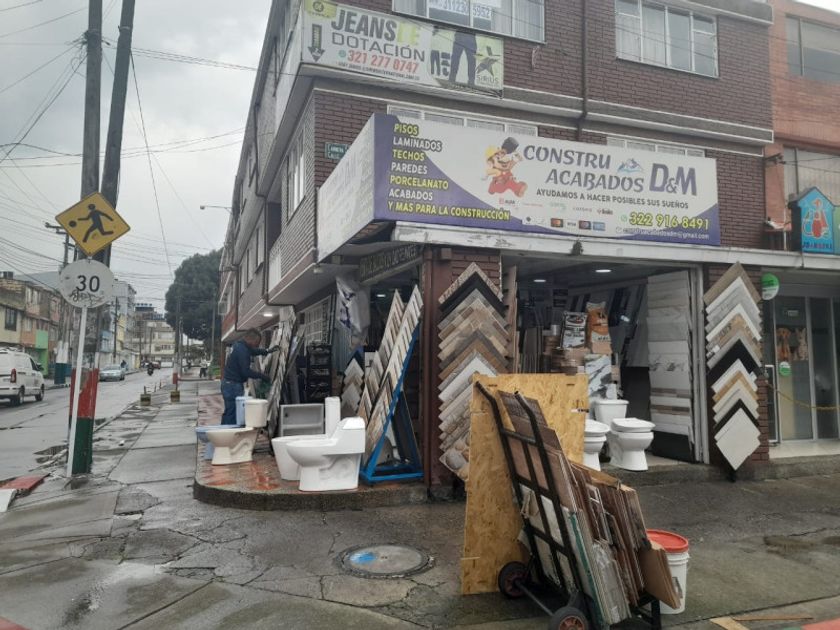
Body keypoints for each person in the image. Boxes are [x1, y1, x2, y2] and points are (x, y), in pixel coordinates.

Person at [221, 329, 278, 425]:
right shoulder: (242, 350)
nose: (258, 345)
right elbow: (246, 372)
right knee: (232, 413)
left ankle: (224, 431)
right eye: (257, 342)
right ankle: (227, 432)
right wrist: (262, 376)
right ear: (252, 340)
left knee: (230, 411)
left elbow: (253, 351)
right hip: (233, 385)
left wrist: (267, 351)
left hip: (229, 384)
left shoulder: (239, 345)